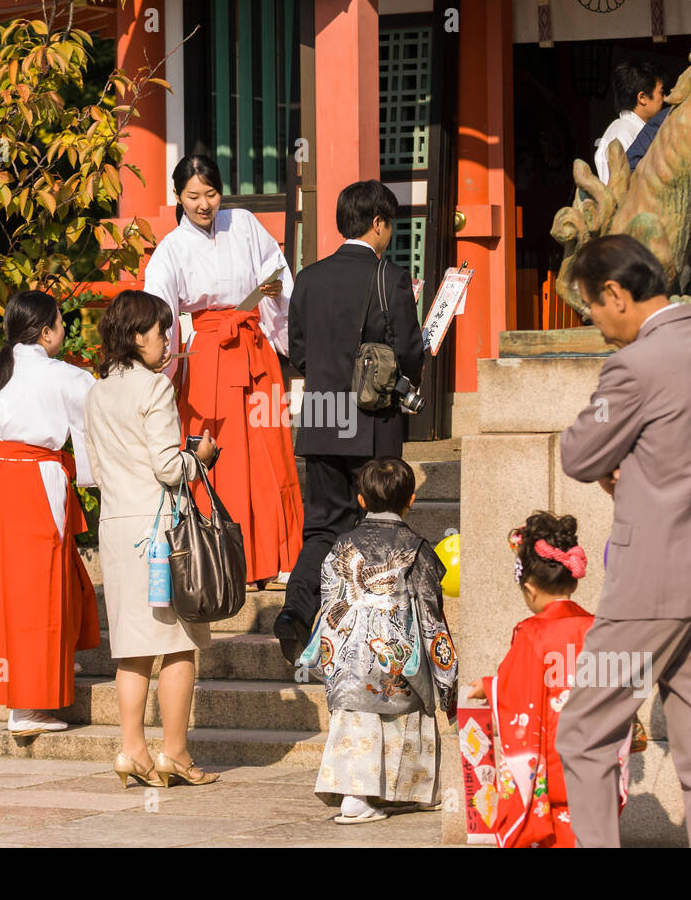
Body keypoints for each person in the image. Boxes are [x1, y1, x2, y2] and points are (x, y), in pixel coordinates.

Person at [556, 234, 691, 848]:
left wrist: (620, 465)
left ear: (617, 293)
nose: (598, 326)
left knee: (583, 731)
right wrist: (633, 467)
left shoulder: (635, 364)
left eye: (593, 310)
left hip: (648, 588)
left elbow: (579, 454)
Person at [274, 180, 425, 662]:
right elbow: (408, 353)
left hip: (321, 419)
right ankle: (368, 635)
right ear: (378, 223)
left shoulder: (309, 277)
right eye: (390, 226)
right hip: (372, 422)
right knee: (377, 525)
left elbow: (297, 349)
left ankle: (295, 613)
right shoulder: (392, 277)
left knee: (322, 527)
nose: (389, 236)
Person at [143, 154, 303, 591]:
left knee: (271, 453)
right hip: (208, 357)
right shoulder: (170, 250)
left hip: (254, 348)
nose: (204, 205)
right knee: (221, 458)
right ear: (177, 196)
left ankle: (278, 555)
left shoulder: (245, 223)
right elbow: (161, 312)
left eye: (211, 194)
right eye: (193, 196)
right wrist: (164, 371)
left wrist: (284, 330)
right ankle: (225, 557)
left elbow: (278, 275)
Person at [84, 290, 221, 789]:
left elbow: (96, 468)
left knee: (133, 648)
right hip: (160, 534)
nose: (167, 341)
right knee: (179, 645)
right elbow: (167, 465)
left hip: (117, 526)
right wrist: (200, 458)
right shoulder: (156, 389)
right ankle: (176, 753)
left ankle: (133, 751)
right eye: (161, 331)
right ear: (138, 336)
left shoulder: (95, 392)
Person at [0, 289, 99, 737]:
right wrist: (97, 480)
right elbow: (92, 428)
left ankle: (47, 662)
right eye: (60, 321)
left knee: (16, 590)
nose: (64, 329)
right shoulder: (66, 377)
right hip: (35, 481)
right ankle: (26, 705)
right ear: (45, 331)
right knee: (39, 592)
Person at [463, 512, 631, 848]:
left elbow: (517, 693)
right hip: (598, 767)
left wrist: (488, 686)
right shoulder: (602, 628)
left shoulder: (532, 633)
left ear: (529, 587)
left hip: (555, 771)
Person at [306, 458, 457, 823]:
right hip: (395, 654)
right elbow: (431, 618)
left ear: (360, 499)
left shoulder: (341, 545)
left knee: (358, 719)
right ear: (413, 499)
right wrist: (446, 677)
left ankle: (357, 793)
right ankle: (392, 794)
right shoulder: (417, 549)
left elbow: (329, 597)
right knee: (405, 712)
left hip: (347, 653)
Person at [594, 61, 666, 185]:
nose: (665, 98)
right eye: (661, 92)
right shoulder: (622, 133)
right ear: (642, 97)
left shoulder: (632, 129)